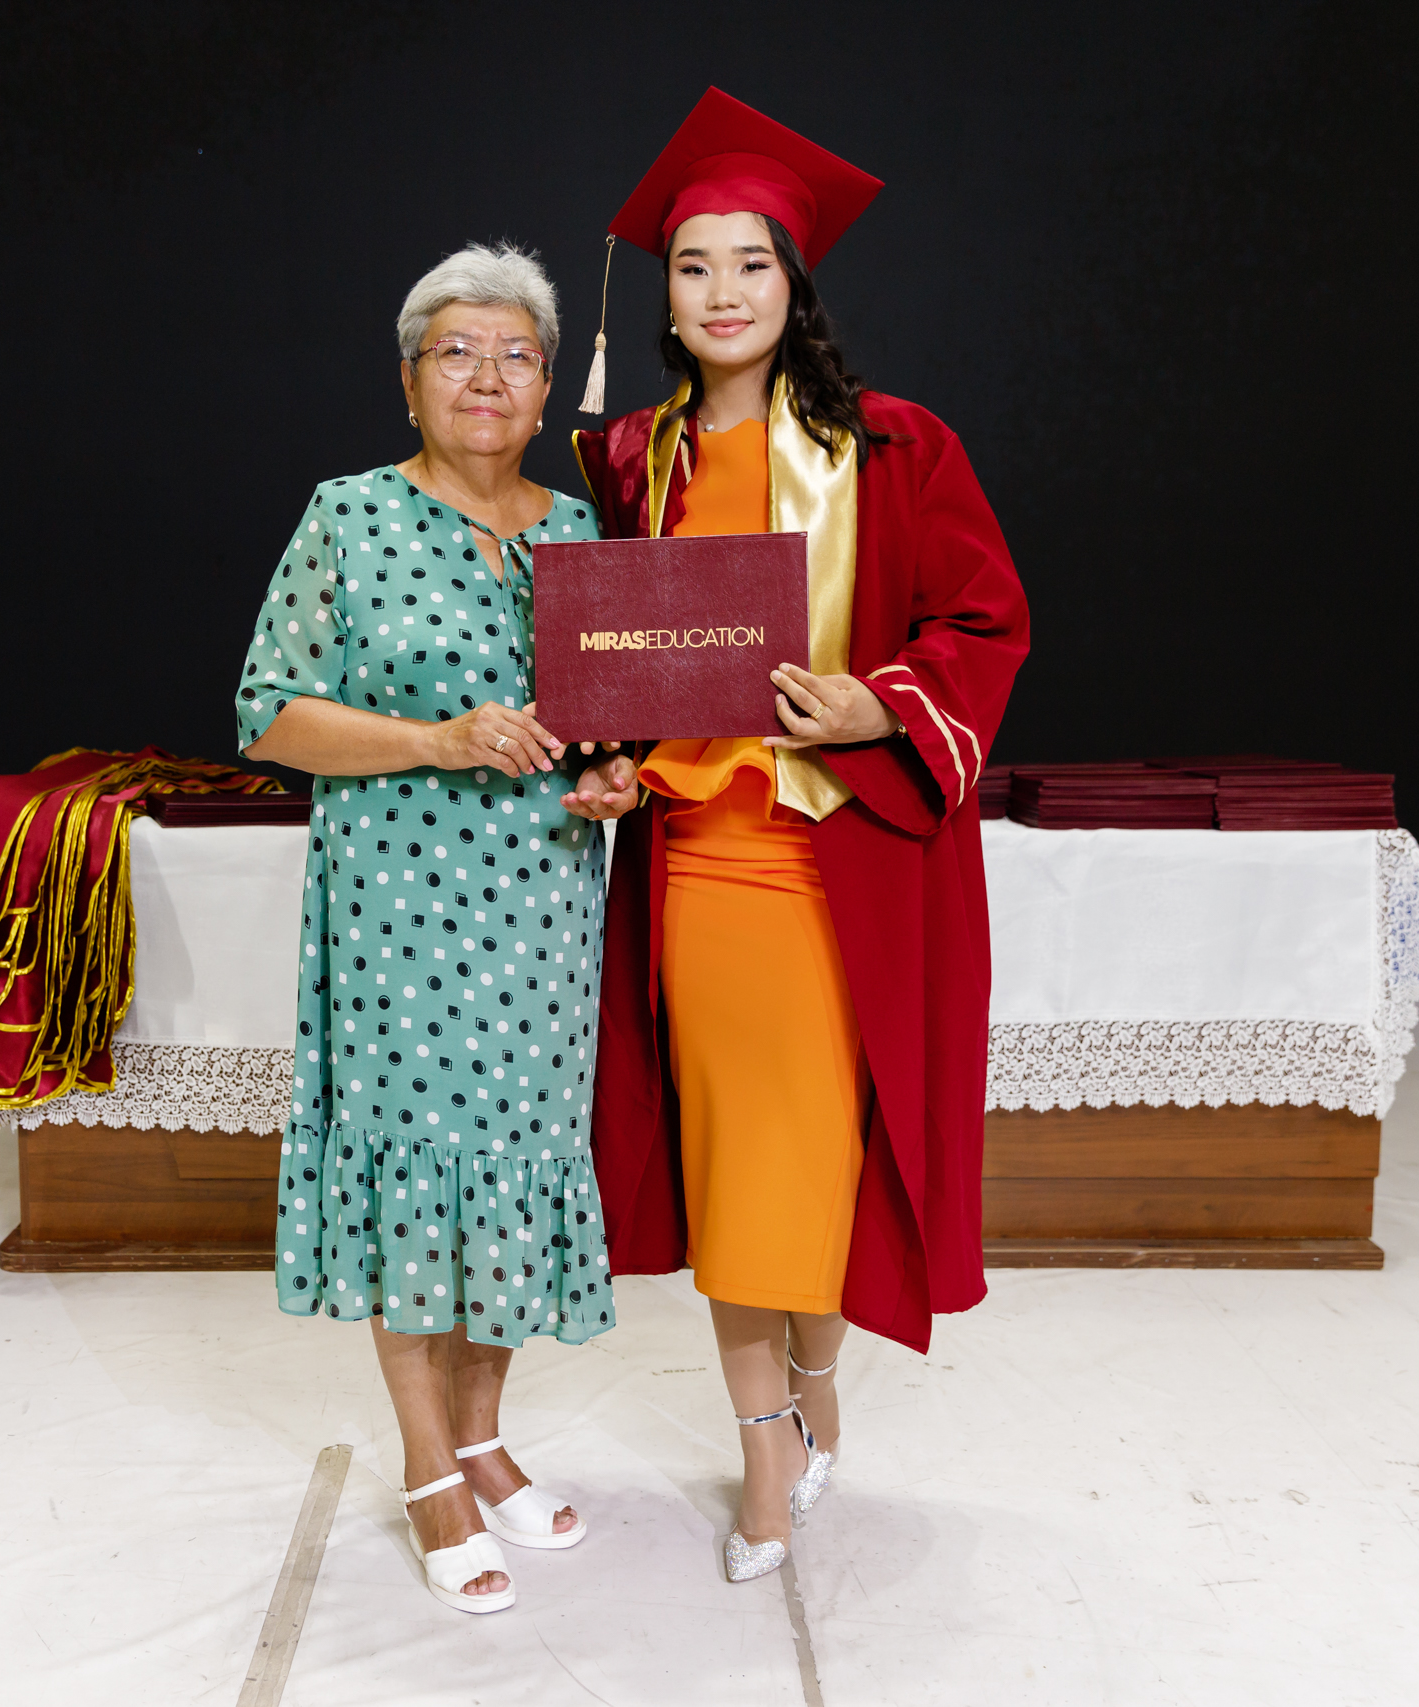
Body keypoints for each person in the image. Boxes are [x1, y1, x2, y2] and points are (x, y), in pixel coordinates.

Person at [565, 90, 1031, 1583]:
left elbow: (982, 620)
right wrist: (611, 759)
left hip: (842, 856)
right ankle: (768, 1447)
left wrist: (879, 704)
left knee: (820, 1155)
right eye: (693, 266)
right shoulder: (628, 462)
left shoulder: (893, 447)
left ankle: (816, 1389)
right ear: (666, 293)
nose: (721, 292)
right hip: (702, 866)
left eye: (750, 265)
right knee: (739, 1161)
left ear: (794, 281)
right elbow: (609, 665)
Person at [236, 241, 641, 1615]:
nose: (487, 375)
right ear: (409, 379)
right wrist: (436, 737)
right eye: (455, 351)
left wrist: (619, 780)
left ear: (548, 386)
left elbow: (613, 726)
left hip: (541, 914)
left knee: (512, 1165)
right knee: (416, 1172)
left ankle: (483, 1436)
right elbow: (270, 713)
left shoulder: (580, 534)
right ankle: (427, 1468)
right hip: (398, 911)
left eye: (517, 355)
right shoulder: (348, 517)